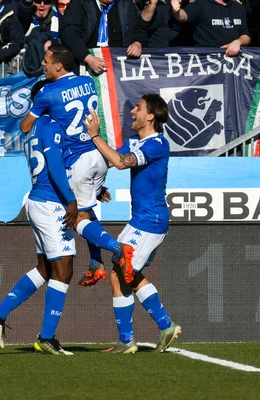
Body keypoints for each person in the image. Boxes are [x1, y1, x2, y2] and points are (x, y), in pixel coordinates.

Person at [20, 44, 134, 287]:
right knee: (86, 210)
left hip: (78, 161)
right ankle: (95, 263)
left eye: (46, 61)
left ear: (58, 66)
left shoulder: (46, 93)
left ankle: (117, 249)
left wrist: (42, 112)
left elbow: (26, 126)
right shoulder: (86, 81)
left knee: (78, 217)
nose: (43, 64)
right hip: (98, 155)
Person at [83, 94, 181, 354]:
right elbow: (112, 159)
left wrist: (95, 135)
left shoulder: (157, 143)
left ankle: (128, 341)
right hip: (142, 219)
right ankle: (164, 325)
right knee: (127, 273)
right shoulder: (138, 142)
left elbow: (120, 162)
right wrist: (98, 186)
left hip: (150, 221)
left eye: (138, 108)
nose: (133, 111)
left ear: (151, 116)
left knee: (118, 273)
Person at [0, 114, 78, 355]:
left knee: (45, 269)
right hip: (51, 203)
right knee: (63, 270)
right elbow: (55, 165)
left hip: (38, 200)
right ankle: (46, 337)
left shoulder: (37, 127)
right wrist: (71, 198)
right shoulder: (53, 126)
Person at [59, 0, 146, 74]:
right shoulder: (80, 3)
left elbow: (140, 28)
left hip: (119, 67)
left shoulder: (126, 4)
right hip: (85, 64)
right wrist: (88, 58)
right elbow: (69, 34)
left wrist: (137, 42)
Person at [170, 0, 251, 56]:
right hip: (208, 67)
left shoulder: (239, 8)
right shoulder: (201, 5)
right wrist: (177, 11)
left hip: (235, 65)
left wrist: (238, 42)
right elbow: (183, 16)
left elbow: (246, 35)